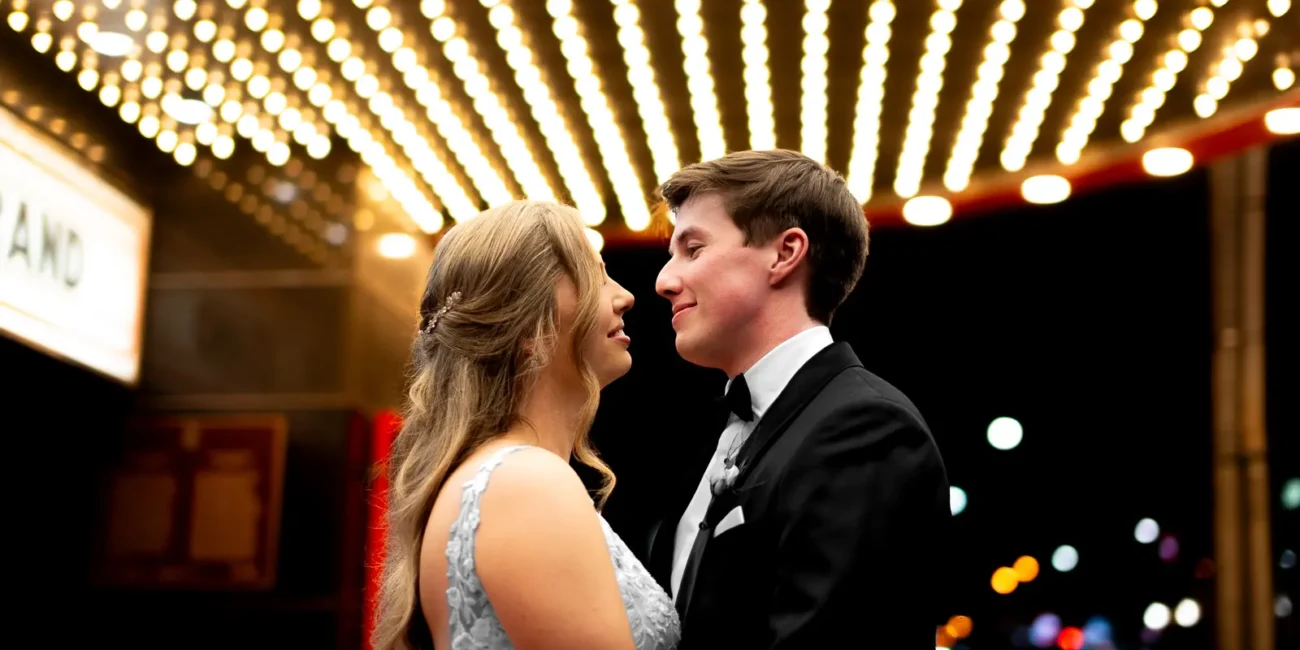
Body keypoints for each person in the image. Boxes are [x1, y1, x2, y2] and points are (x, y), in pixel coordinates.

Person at [648, 150, 951, 648]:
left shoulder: (865, 427)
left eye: (693, 249)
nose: (665, 281)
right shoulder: (717, 429)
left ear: (785, 253)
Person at [372, 201, 680, 650]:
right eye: (593, 275)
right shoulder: (524, 482)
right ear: (528, 327)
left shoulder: (501, 478)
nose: (625, 295)